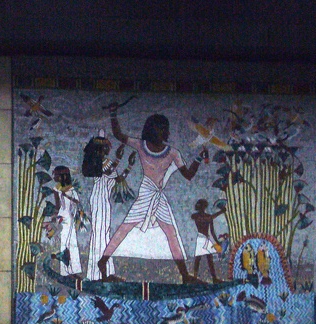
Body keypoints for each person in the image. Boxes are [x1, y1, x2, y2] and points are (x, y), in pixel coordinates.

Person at [96, 106, 208, 284]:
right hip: (146, 192)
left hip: (158, 195)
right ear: (152, 129)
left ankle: (185, 276)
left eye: (165, 128)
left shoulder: (173, 153)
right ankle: (102, 265)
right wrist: (113, 114)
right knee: (125, 228)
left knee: (171, 232)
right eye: (161, 127)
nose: (164, 131)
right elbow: (118, 134)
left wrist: (199, 159)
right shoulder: (141, 145)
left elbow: (188, 175)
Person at [81, 131, 135, 281]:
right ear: (99, 149)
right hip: (98, 199)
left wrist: (129, 165)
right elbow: (112, 171)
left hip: (104, 199)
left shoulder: (106, 162)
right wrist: (120, 158)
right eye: (106, 147)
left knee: (104, 234)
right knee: (99, 234)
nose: (108, 150)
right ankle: (96, 275)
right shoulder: (99, 162)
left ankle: (106, 273)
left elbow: (118, 179)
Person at [52, 166, 82, 279]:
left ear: (63, 176)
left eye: (56, 175)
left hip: (69, 217)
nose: (55, 177)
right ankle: (65, 272)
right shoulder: (56, 188)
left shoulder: (71, 189)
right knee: (64, 243)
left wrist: (67, 195)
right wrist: (55, 216)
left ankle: (73, 271)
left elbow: (77, 201)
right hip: (62, 216)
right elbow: (57, 205)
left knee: (71, 243)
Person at [191, 199, 226, 283]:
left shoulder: (197, 216)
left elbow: (212, 231)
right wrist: (221, 211)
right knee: (204, 259)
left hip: (203, 238)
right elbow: (212, 230)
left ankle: (209, 278)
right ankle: (212, 278)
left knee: (201, 259)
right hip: (203, 238)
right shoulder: (205, 217)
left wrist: (216, 242)